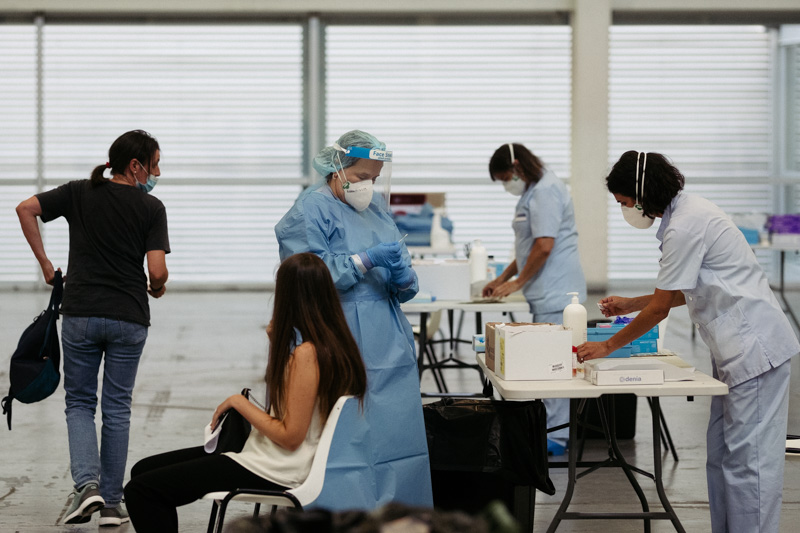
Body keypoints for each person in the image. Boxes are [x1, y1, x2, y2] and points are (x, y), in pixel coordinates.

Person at [577, 151, 798, 533]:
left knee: (750, 464)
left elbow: (662, 307)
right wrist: (630, 304)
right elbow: (688, 288)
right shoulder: (685, 215)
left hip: (755, 349)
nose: (625, 210)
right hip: (734, 349)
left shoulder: (685, 225)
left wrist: (607, 346)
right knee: (723, 456)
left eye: (625, 202)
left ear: (643, 193)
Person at [123, 253, 368, 532]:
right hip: (270, 456)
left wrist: (239, 403)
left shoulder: (307, 354)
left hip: (275, 467)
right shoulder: (334, 345)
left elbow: (290, 437)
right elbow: (288, 409)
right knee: (142, 470)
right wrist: (277, 343)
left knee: (141, 491)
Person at [15, 130, 170, 527]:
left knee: (80, 403)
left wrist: (46, 266)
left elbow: (25, 208)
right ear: (135, 165)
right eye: (154, 164)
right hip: (129, 317)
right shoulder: (151, 207)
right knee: (117, 408)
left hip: (81, 314)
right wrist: (157, 287)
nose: (157, 173)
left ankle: (87, 486)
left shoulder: (78, 192)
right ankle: (112, 505)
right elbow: (156, 271)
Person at [274, 130, 433, 507]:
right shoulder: (309, 210)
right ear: (338, 168)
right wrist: (363, 261)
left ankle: (399, 518)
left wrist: (404, 278)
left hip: (387, 339)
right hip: (335, 332)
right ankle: (341, 514)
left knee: (395, 433)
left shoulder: (375, 208)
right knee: (344, 433)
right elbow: (306, 275)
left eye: (375, 179)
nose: (368, 187)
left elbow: (400, 275)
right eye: (362, 176)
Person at [481, 143, 586, 456]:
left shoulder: (546, 190)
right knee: (547, 363)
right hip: (545, 291)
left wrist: (517, 283)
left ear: (517, 166)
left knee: (555, 366)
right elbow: (528, 247)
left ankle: (558, 435)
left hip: (558, 290)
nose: (506, 185)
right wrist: (502, 278)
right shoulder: (532, 191)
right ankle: (551, 430)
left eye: (505, 178)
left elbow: (544, 246)